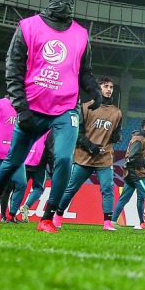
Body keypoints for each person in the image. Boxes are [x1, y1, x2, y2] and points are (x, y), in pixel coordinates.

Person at [0, 0, 103, 233]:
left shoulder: (81, 35)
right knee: (13, 162)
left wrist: (93, 87)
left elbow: (85, 71)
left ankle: (47, 218)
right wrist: (21, 107)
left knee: (64, 159)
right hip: (32, 109)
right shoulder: (28, 27)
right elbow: (13, 69)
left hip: (66, 109)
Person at [58, 77, 123, 230]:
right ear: (98, 88)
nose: (109, 89)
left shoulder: (117, 112)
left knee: (107, 189)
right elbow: (78, 133)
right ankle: (57, 216)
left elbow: (116, 133)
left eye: (111, 87)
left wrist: (117, 136)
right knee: (71, 188)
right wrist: (90, 146)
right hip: (84, 156)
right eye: (105, 86)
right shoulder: (85, 107)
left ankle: (107, 222)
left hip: (104, 157)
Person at [114, 118, 145, 229]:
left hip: (130, 173)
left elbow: (139, 153)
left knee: (124, 198)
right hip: (137, 174)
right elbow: (133, 157)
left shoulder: (142, 138)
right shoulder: (139, 139)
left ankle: (112, 221)